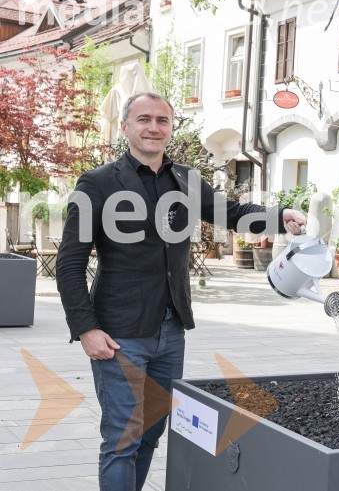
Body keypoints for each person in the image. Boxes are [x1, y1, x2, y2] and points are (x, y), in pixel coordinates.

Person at [56, 92, 306, 491]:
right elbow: (69, 263)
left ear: (170, 128)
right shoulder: (98, 183)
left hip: (170, 333)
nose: (153, 127)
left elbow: (233, 214)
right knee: (123, 439)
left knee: (151, 434)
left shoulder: (186, 179)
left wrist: (280, 216)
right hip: (118, 334)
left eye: (162, 120)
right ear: (125, 127)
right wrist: (86, 329)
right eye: (143, 119)